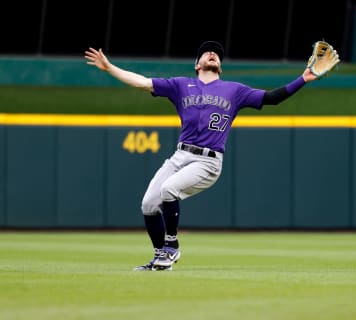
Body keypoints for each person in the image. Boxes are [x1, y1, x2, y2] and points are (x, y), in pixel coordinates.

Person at [84, 40, 320, 271]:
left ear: (220, 66)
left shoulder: (234, 91)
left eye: (216, 53)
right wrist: (109, 68)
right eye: (206, 52)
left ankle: (172, 245)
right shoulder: (180, 85)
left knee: (168, 190)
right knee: (148, 204)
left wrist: (303, 79)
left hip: (207, 161)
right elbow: (143, 83)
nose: (211, 54)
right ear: (197, 65)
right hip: (180, 156)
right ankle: (160, 259)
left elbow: (272, 98)